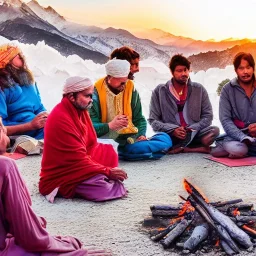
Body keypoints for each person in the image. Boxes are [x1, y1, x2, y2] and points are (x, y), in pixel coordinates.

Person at [0, 120, 111, 255]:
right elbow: (30, 236)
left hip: (78, 171)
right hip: (59, 179)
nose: (90, 100)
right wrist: (106, 170)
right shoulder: (5, 165)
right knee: (68, 243)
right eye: (2, 128)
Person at [40, 76, 127, 203]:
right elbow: (76, 160)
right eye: (87, 96)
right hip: (64, 172)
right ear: (71, 97)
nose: (91, 100)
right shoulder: (60, 119)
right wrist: (106, 171)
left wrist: (103, 169)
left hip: (81, 161)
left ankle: (98, 177)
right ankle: (68, 186)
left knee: (110, 152)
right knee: (102, 189)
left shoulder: (80, 110)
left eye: (91, 96)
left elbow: (91, 144)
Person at [90, 59, 172, 161]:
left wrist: (141, 134)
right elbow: (89, 128)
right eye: (121, 82)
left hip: (130, 138)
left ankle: (138, 151)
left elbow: (139, 118)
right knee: (137, 148)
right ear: (109, 77)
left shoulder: (130, 89)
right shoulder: (94, 95)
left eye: (125, 81)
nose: (124, 86)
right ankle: (131, 152)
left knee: (165, 137)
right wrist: (110, 125)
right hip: (107, 140)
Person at [149, 54, 219, 154]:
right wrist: (173, 130)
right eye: (179, 71)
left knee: (214, 131)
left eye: (185, 70)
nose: (184, 73)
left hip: (194, 133)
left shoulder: (198, 89)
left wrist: (193, 128)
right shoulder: (160, 91)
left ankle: (185, 148)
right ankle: (193, 147)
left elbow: (208, 116)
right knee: (162, 141)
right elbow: (153, 120)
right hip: (171, 135)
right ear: (172, 72)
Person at [211, 52, 256, 158]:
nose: (245, 72)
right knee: (239, 149)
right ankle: (225, 145)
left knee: (239, 150)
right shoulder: (227, 90)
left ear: (253, 68)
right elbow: (225, 119)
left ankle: (233, 150)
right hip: (236, 137)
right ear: (236, 70)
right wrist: (243, 137)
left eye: (248, 67)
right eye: (241, 68)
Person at [0, 44, 48, 140]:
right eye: (15, 54)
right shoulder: (2, 86)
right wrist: (30, 126)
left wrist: (46, 117)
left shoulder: (30, 82)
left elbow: (39, 108)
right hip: (18, 135)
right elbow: (1, 128)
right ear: (6, 60)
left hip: (39, 129)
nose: (21, 56)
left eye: (21, 53)